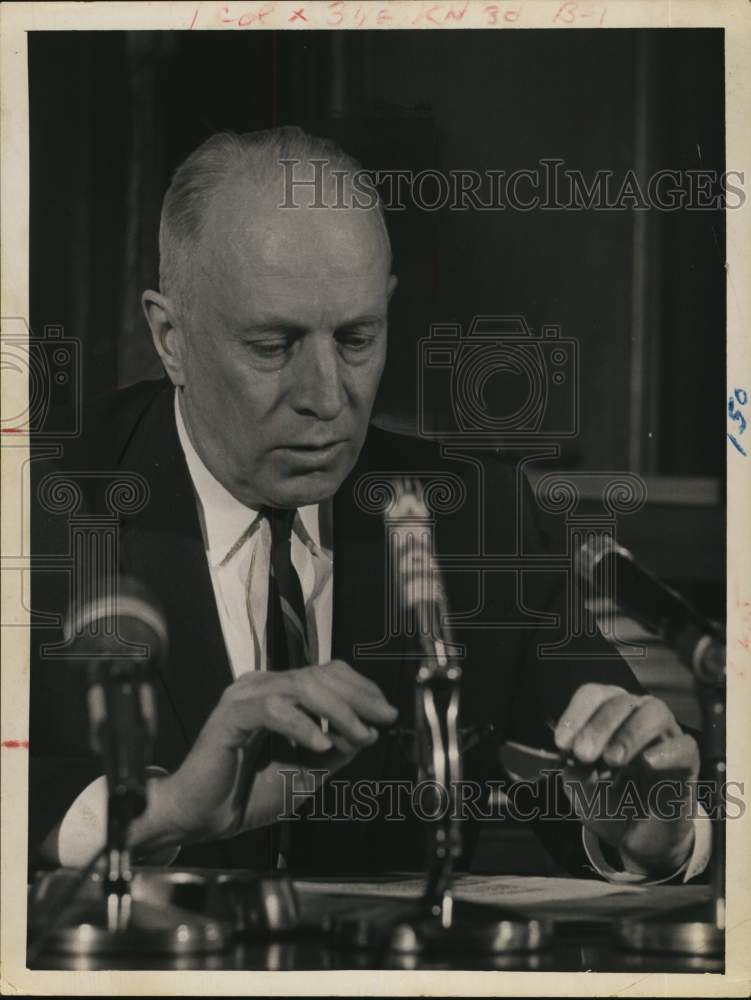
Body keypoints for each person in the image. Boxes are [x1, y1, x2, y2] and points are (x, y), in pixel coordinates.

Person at [29, 127, 709, 882]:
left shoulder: (475, 516)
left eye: (356, 339)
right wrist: (155, 812)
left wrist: (658, 834)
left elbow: (617, 786)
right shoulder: (42, 513)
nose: (326, 399)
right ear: (170, 338)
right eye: (272, 345)